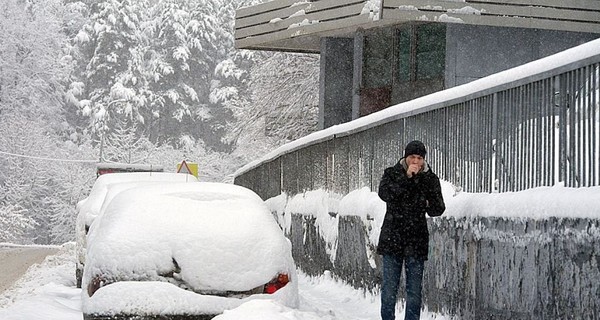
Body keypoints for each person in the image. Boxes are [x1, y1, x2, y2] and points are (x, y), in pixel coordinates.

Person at [377, 140, 446, 320]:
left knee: (414, 291)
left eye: (419, 158)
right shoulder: (392, 174)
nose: (416, 161)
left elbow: (438, 208)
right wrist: (407, 178)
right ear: (405, 157)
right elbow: (386, 194)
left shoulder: (430, 179)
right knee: (389, 289)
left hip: (416, 240)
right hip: (393, 238)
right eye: (412, 157)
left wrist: (427, 202)